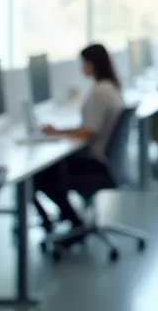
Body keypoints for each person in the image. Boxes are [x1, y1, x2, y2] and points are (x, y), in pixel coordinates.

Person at [33, 44, 126, 235]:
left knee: (41, 175)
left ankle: (73, 220)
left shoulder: (100, 92)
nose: (81, 67)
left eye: (83, 63)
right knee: (49, 170)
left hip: (95, 161)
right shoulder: (111, 87)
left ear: (92, 64)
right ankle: (68, 218)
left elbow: (88, 131)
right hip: (107, 159)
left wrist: (56, 131)